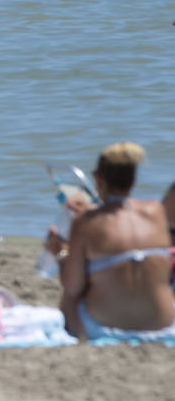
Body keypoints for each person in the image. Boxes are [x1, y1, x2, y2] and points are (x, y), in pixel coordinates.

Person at [52, 143, 175, 342]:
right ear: (133, 180)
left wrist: (60, 252)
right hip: (162, 324)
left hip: (106, 326)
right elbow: (122, 215)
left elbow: (73, 286)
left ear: (98, 178)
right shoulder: (156, 212)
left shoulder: (85, 221)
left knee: (70, 298)